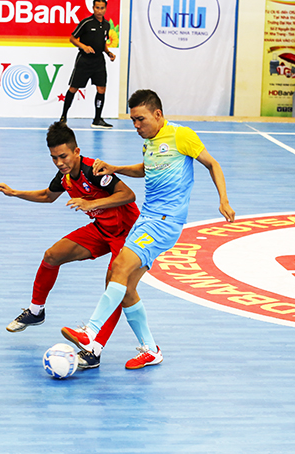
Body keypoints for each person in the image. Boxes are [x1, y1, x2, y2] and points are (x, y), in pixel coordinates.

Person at [61, 89, 236, 369]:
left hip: (164, 222)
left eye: (140, 119)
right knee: (127, 287)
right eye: (133, 120)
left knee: (118, 268)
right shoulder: (150, 143)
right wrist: (115, 167)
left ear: (158, 114)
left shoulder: (182, 136)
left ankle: (90, 332)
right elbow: (147, 169)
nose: (136, 126)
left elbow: (212, 164)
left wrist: (223, 200)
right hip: (147, 218)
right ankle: (151, 350)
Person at [0, 121, 140, 368]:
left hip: (127, 234)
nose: (60, 163)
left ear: (76, 151)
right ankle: (36, 311)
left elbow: (128, 195)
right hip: (102, 229)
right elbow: (47, 196)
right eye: (54, 158)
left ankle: (94, 350)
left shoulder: (95, 170)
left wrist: (90, 204)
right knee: (52, 255)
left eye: (63, 156)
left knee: (114, 288)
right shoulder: (65, 176)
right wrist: (14, 192)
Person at [59, 0, 116, 129]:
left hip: (99, 62)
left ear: (105, 9)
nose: (99, 10)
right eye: (97, 8)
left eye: (102, 8)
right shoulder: (86, 22)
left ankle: (97, 119)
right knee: (73, 88)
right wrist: (83, 47)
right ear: (93, 8)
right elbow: (72, 38)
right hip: (84, 61)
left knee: (101, 89)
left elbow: (103, 43)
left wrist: (108, 53)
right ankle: (63, 117)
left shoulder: (106, 25)